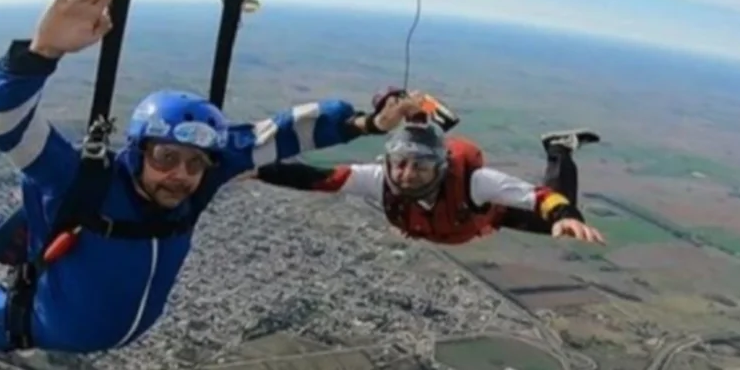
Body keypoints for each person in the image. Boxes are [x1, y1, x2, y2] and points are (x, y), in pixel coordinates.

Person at [0, 0, 422, 355]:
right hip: (38, 323)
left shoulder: (200, 181)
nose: (180, 175)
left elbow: (279, 134)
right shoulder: (82, 179)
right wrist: (42, 52)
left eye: (194, 163)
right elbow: (3, 124)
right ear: (137, 151)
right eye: (165, 157)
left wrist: (365, 124)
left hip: (87, 330)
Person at [252, 89, 606, 246]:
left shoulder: (476, 183)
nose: (406, 175)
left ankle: (559, 148)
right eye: (400, 165)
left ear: (440, 168)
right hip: (461, 222)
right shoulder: (380, 179)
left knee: (553, 223)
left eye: (419, 168)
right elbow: (318, 178)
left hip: (486, 213)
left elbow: (539, 197)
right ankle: (427, 115)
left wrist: (566, 214)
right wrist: (257, 170)